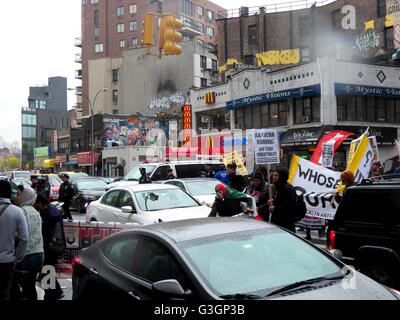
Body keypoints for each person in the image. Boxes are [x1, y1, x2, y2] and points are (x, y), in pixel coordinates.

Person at [11, 186, 44, 300]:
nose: (16, 197)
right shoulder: (36, 212)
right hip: (39, 254)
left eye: (19, 194)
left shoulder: (21, 211)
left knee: (17, 285)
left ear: (25, 197)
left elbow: (19, 236)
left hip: (26, 255)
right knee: (30, 286)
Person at [0, 180, 28, 300]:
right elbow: (24, 239)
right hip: (7, 262)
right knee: (4, 294)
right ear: (10, 194)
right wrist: (17, 259)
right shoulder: (17, 211)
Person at [34, 194, 65, 301]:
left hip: (50, 247)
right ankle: (54, 293)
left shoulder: (49, 214)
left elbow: (46, 233)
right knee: (47, 270)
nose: (34, 205)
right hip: (53, 246)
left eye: (35, 203)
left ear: (40, 203)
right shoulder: (51, 210)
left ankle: (54, 293)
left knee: (46, 269)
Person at [326, 170, 356, 250]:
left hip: (346, 217)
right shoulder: (350, 187)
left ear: (346, 179)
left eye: (342, 178)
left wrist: (337, 197)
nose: (341, 180)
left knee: (331, 227)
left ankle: (329, 246)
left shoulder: (350, 189)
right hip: (347, 217)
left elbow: (345, 204)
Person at [268, 167, 297, 232]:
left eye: (276, 175)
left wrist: (274, 208)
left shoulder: (287, 189)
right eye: (273, 175)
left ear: (282, 176)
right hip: (278, 223)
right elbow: (279, 201)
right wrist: (273, 201)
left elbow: (289, 206)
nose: (273, 177)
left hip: (285, 225)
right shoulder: (278, 187)